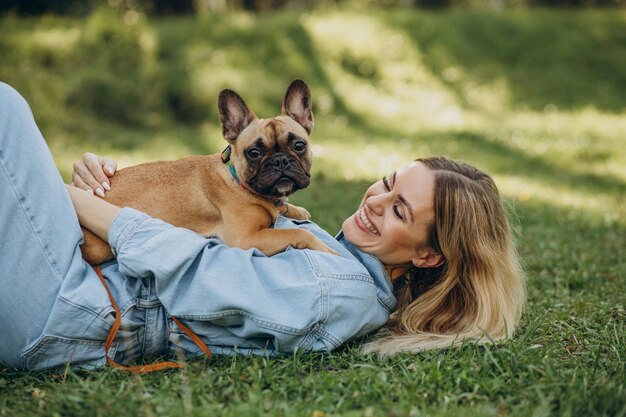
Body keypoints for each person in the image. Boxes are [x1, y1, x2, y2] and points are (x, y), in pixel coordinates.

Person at [0, 82, 526, 372]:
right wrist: (99, 187)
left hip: (72, 308)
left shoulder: (332, 286)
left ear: (429, 256)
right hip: (74, 282)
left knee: (7, 110)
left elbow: (191, 265)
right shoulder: (331, 252)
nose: (375, 199)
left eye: (398, 210)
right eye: (387, 182)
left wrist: (62, 196)